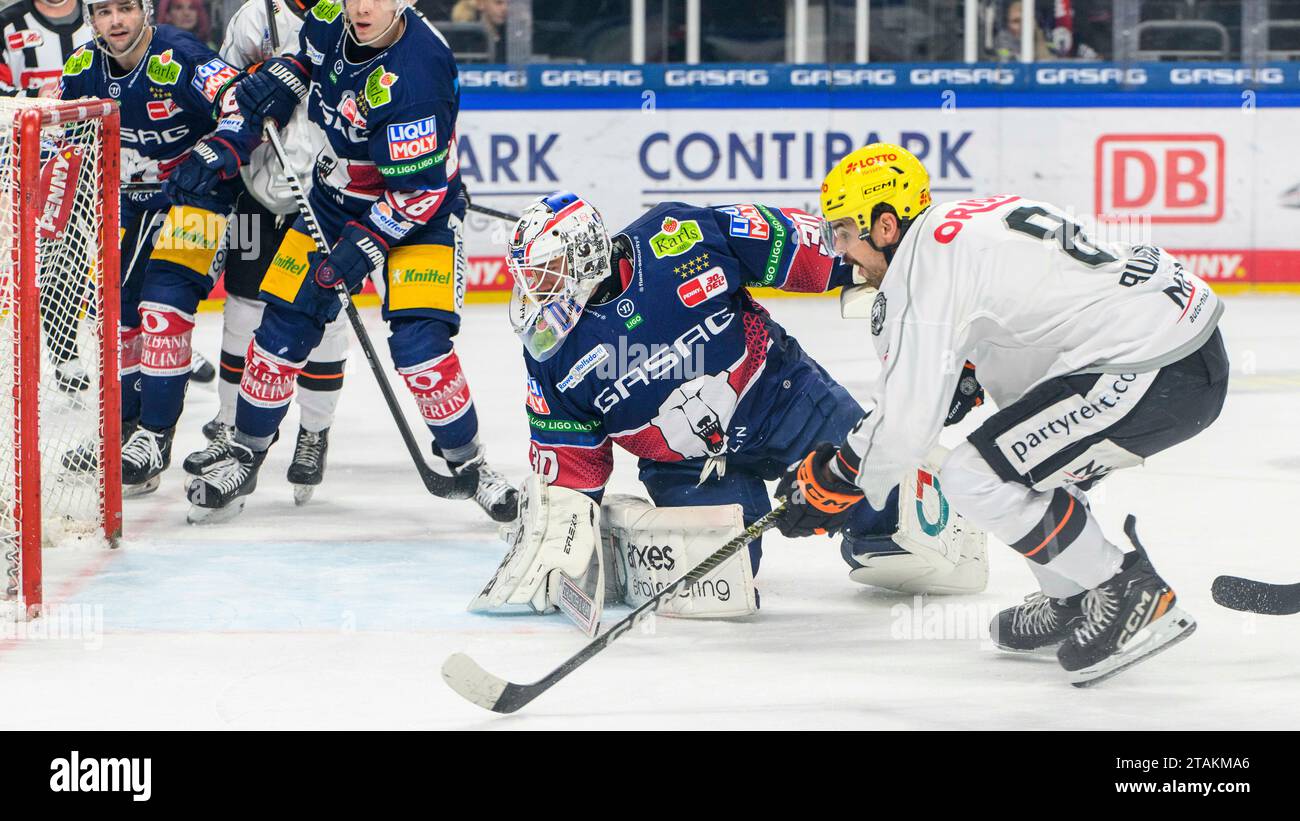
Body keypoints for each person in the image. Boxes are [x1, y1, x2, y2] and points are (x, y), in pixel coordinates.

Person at [777, 143, 1228, 686]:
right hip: (1177, 348)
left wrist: (839, 475)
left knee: (971, 476)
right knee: (1018, 463)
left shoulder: (922, 268)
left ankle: (1131, 593)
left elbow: (904, 421)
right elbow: (1018, 356)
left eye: (844, 233)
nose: (841, 251)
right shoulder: (964, 225)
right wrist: (960, 375)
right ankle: (1073, 595)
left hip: (1152, 364)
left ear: (886, 224)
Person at [469, 191, 988, 623]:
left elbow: (798, 246)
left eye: (545, 273)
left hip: (785, 398)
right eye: (528, 277)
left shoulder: (679, 235)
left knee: (885, 509)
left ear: (585, 255)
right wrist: (565, 532)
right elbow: (571, 469)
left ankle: (879, 529)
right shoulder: (551, 350)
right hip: (687, 466)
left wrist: (888, 272)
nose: (534, 291)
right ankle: (622, 540)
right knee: (718, 585)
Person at [178, 0, 517, 524]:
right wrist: (278, 82)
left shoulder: (418, 72)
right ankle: (245, 451)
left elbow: (416, 194)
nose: (361, 7)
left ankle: (471, 464)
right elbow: (305, 60)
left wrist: (362, 248)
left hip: (417, 214)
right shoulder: (332, 15)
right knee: (281, 328)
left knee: (420, 346)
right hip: (335, 200)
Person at [59, 0, 244, 494]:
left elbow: (243, 102)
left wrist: (214, 152)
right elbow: (61, 134)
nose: (115, 22)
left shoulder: (180, 56)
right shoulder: (83, 65)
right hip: (132, 209)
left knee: (163, 307)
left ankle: (155, 437)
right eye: (102, 11)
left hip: (200, 203)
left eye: (125, 9)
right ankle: (124, 432)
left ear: (145, 11)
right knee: (119, 318)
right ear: (90, 18)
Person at [182, 0, 350, 506]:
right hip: (259, 187)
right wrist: (249, 96)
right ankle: (233, 427)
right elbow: (224, 96)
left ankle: (314, 433)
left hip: (327, 195)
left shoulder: (356, 13)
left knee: (323, 316)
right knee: (242, 308)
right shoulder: (257, 15)